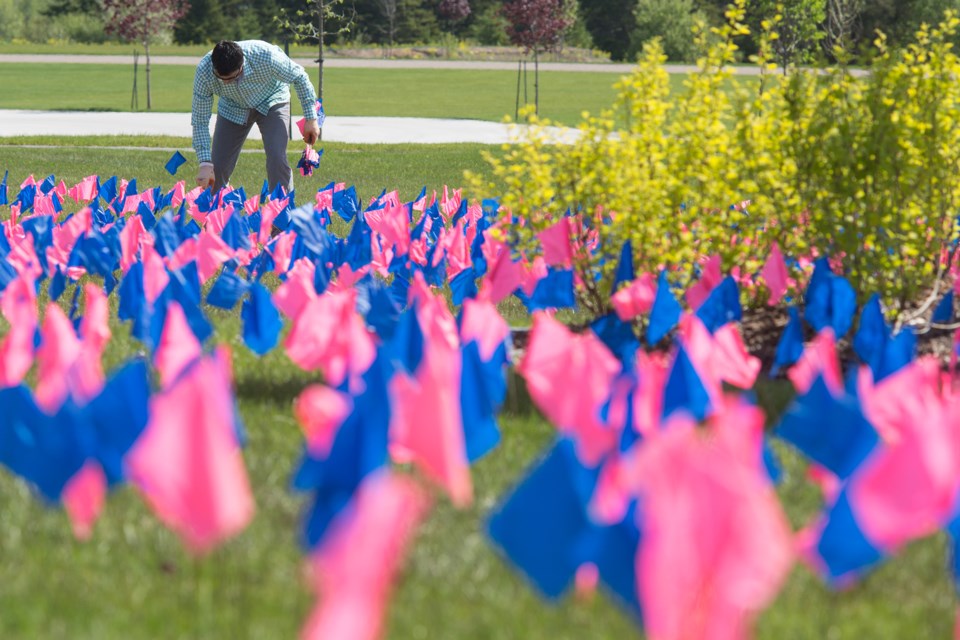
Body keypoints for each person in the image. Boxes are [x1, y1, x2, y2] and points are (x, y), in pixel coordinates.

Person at [191, 40, 320, 193]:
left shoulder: (266, 56)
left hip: (272, 100)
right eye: (221, 78)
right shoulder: (204, 72)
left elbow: (300, 77)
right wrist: (205, 163)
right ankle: (215, 212)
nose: (226, 83)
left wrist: (311, 119)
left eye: (232, 78)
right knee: (216, 168)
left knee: (277, 158)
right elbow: (200, 119)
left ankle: (281, 210)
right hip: (232, 107)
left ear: (242, 65)